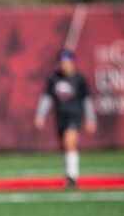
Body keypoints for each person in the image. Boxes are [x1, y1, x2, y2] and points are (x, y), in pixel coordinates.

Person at [34, 50, 97, 189]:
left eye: (66, 62)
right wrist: (40, 115)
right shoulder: (54, 79)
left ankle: (72, 176)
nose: (64, 65)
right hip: (60, 117)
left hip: (74, 115)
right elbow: (47, 98)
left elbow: (87, 100)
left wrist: (91, 119)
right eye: (61, 62)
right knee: (64, 146)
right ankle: (69, 174)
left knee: (70, 142)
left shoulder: (79, 80)